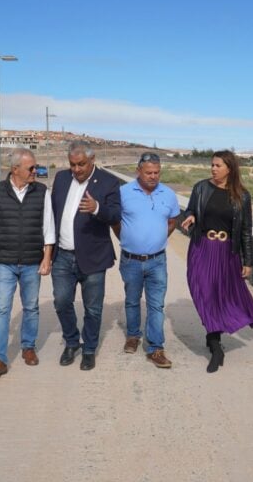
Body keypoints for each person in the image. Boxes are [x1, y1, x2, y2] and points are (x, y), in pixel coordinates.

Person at [181, 150, 253, 373]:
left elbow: (246, 230)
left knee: (220, 295)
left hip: (227, 252)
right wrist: (192, 216)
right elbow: (190, 209)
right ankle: (216, 344)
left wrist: (248, 261)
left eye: (218, 165)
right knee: (204, 291)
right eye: (212, 165)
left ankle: (213, 340)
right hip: (202, 247)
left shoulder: (242, 196)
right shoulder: (201, 188)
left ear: (229, 168)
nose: (213, 168)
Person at [0, 148, 55, 379]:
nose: (35, 171)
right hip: (4, 263)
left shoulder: (42, 192)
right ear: (15, 169)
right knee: (2, 309)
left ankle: (28, 347)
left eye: (35, 167)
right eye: (31, 168)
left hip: (32, 261)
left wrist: (47, 258)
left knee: (31, 307)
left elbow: (48, 228)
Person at [51, 141, 121, 371]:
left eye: (81, 164)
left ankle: (89, 349)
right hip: (62, 255)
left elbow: (116, 213)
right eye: (73, 164)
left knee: (93, 308)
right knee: (61, 302)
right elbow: (52, 212)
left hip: (93, 257)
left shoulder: (108, 182)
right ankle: (72, 342)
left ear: (92, 160)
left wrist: (97, 208)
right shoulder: (61, 179)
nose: (77, 169)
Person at [112, 152, 181, 368]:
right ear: (138, 171)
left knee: (156, 305)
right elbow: (115, 223)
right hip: (130, 260)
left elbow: (172, 222)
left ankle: (156, 348)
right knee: (132, 300)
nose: (153, 176)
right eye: (149, 172)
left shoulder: (169, 194)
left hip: (157, 261)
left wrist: (157, 241)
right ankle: (133, 335)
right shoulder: (123, 193)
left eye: (157, 173)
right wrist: (128, 240)